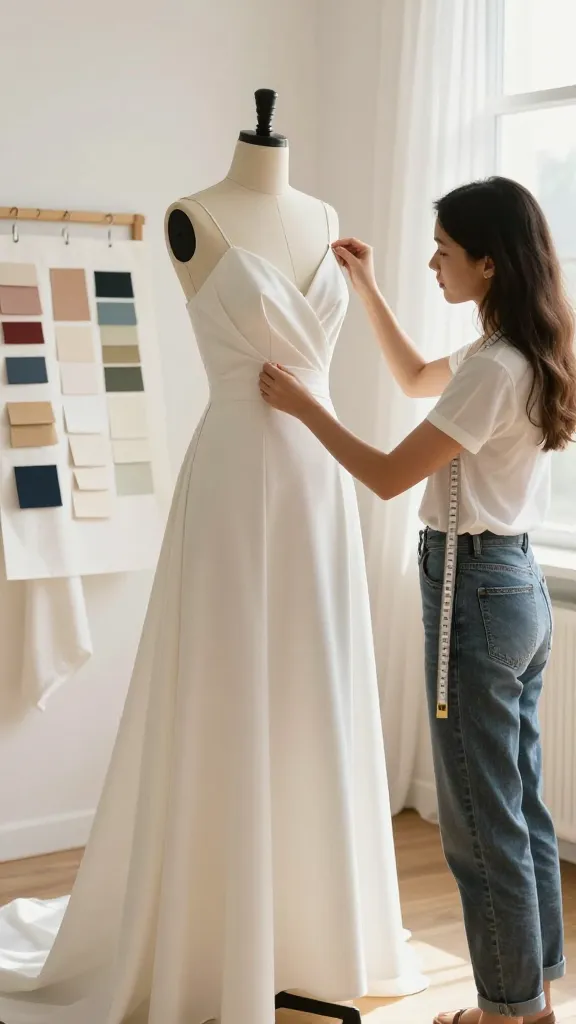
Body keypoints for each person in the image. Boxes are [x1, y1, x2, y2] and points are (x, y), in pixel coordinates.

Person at [259, 176, 576, 1024]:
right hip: (515, 589)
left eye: (443, 250)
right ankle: (532, 994)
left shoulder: (492, 369)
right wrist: (365, 288)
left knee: (479, 822)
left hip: (473, 592)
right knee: (519, 808)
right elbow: (408, 378)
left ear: (487, 260)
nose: (432, 261)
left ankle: (506, 1009)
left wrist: (306, 406)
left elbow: (393, 476)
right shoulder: (514, 349)